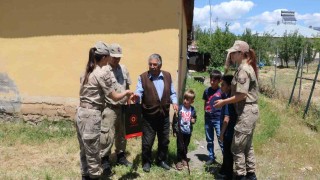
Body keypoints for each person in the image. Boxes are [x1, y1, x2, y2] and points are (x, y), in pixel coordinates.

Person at [76, 41, 133, 180]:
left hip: (80, 113)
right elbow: (113, 95)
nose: (111, 59)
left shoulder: (87, 70)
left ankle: (85, 176)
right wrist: (127, 93)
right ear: (104, 57)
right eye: (109, 56)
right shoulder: (101, 73)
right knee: (93, 152)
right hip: (92, 115)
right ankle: (94, 176)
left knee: (84, 150)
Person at [214, 40, 259, 180]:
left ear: (241, 53)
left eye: (233, 53)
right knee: (247, 146)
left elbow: (242, 95)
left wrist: (223, 102)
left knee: (237, 147)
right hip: (248, 111)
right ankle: (251, 175)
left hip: (246, 111)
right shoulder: (243, 68)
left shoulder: (244, 70)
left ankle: (241, 176)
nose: (231, 55)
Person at [135, 53, 178, 172]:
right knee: (147, 142)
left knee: (164, 140)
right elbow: (139, 92)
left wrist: (174, 102)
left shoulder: (167, 76)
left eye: (155, 64)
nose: (152, 66)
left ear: (160, 65)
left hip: (163, 114)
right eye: (150, 64)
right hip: (149, 116)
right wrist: (136, 97)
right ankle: (146, 162)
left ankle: (161, 160)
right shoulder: (143, 77)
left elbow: (172, 92)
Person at [100, 43, 132, 175]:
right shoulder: (104, 70)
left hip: (123, 107)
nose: (117, 60)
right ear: (109, 56)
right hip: (110, 108)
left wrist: (129, 101)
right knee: (107, 135)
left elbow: (128, 84)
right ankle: (105, 161)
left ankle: (120, 156)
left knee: (122, 134)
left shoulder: (123, 68)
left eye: (119, 57)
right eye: (114, 57)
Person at [202, 70, 224, 165]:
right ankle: (211, 157)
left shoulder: (221, 92)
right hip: (208, 118)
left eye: (214, 80)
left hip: (218, 119)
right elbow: (205, 102)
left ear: (219, 81)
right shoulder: (206, 91)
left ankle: (226, 158)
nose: (212, 82)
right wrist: (206, 110)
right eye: (211, 79)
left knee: (221, 139)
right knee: (209, 139)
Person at [172, 89, 197, 171]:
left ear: (192, 101)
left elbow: (194, 118)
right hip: (180, 131)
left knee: (185, 146)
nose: (185, 101)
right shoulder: (179, 108)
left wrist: (193, 121)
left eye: (187, 99)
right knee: (180, 147)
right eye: (184, 98)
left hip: (188, 132)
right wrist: (174, 130)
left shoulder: (192, 110)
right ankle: (178, 160)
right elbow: (175, 120)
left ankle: (184, 158)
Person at [218, 75, 237, 180]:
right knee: (229, 154)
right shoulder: (232, 98)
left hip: (228, 132)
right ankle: (224, 171)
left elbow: (226, 118)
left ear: (229, 86)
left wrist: (221, 133)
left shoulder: (228, 100)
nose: (221, 87)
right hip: (232, 131)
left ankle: (228, 176)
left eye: (223, 85)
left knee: (228, 154)